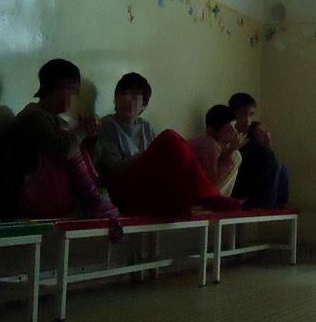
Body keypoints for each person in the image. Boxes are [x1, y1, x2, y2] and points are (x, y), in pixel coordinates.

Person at [0, 58, 123, 242]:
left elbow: (86, 160)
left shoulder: (56, 121)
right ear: (59, 88)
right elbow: (62, 151)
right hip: (28, 202)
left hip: (47, 199)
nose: (74, 97)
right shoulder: (34, 118)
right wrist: (81, 131)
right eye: (72, 90)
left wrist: (90, 137)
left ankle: (92, 202)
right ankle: (92, 203)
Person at [96, 73, 239, 216]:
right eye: (122, 94)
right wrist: (146, 156)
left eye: (134, 96)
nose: (127, 99)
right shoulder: (107, 125)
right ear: (115, 99)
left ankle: (193, 198)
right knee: (170, 137)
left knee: (177, 147)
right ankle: (206, 196)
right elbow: (113, 171)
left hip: (149, 190)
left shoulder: (146, 127)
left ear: (144, 104)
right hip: (125, 193)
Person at [228, 92, 290, 209]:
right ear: (233, 114)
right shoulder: (227, 136)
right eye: (242, 114)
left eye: (251, 115)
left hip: (253, 187)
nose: (247, 120)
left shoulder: (249, 138)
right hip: (237, 190)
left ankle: (276, 202)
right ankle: (261, 202)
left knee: (281, 166)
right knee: (272, 160)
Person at [190, 105, 245, 196]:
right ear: (212, 130)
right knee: (236, 156)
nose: (234, 132)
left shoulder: (211, 143)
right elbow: (211, 184)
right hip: (198, 198)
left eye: (234, 127)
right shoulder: (209, 144)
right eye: (228, 129)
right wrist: (231, 150)